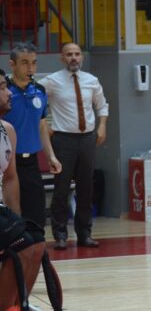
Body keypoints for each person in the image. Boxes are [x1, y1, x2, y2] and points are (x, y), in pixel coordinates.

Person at [38, 43, 109, 250]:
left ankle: (84, 234)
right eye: (69, 54)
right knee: (61, 189)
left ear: (82, 58)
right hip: (63, 140)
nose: (74, 58)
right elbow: (36, 99)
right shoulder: (51, 81)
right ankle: (60, 235)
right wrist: (46, 125)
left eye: (77, 54)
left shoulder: (91, 81)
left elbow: (102, 105)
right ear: (62, 58)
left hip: (87, 138)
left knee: (86, 188)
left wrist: (102, 126)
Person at [4, 42, 62, 234]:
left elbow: (41, 124)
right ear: (12, 64)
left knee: (36, 217)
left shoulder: (40, 91)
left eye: (34, 63)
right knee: (13, 217)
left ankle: (37, 260)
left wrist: (51, 156)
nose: (30, 68)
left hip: (32, 164)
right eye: (25, 63)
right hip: (8, 165)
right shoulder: (5, 94)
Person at [1, 77, 46, 311]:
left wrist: (15, 219)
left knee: (36, 240)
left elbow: (9, 179)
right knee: (23, 245)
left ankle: (19, 303)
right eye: (1, 87)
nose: (7, 92)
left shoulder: (7, 130)